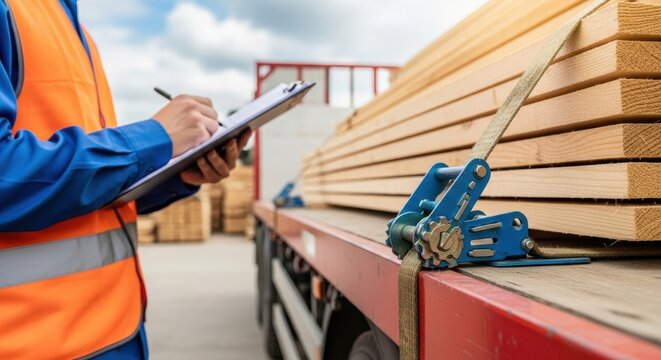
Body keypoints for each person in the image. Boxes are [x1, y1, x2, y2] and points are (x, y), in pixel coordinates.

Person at [0, 0, 251, 358]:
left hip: (116, 333)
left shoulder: (76, 30)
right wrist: (154, 138)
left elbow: (90, 191)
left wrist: (178, 175)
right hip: (34, 344)